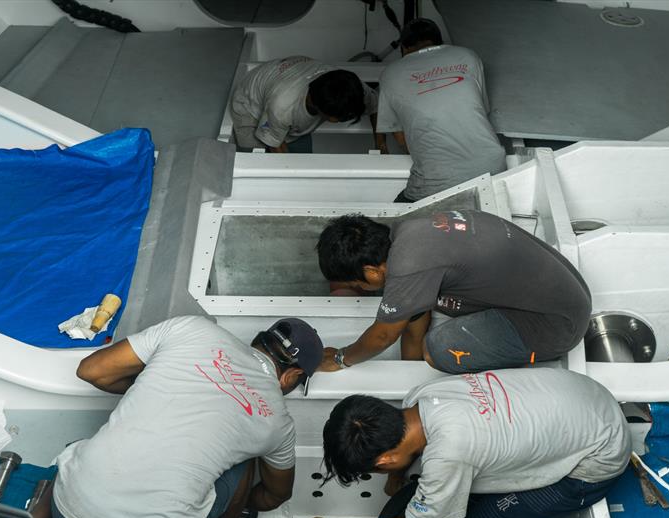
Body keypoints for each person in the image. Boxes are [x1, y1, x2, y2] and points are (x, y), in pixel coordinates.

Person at [30, 315, 323, 518]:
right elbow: (276, 495)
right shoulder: (278, 424)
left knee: (100, 445)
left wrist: (151, 383)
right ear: (291, 376)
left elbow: (92, 371)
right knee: (245, 463)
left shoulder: (193, 328)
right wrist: (244, 500)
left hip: (68, 510)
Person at [319, 368, 631, 518]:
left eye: (378, 469)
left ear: (385, 459)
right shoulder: (421, 398)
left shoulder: (449, 454)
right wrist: (393, 481)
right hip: (588, 395)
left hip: (598, 457)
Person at [316, 211, 591, 373]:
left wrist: (341, 358)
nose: (359, 290)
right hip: (571, 293)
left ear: (372, 271)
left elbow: (384, 335)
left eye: (356, 284)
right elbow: (414, 315)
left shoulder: (408, 268)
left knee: (437, 349)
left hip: (555, 326)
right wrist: (407, 375)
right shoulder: (409, 230)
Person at [376, 18, 506, 202]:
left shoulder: (390, 73)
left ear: (403, 48)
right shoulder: (468, 56)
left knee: (398, 213)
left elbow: (401, 139)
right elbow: (481, 109)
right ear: (440, 42)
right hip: (494, 166)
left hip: (437, 179)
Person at [230, 56, 385, 153]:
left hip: (283, 80)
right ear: (320, 109)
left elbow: (375, 106)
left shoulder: (350, 86)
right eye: (340, 118)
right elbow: (277, 148)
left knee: (301, 158)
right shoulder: (283, 106)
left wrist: (381, 146)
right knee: (255, 162)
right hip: (249, 105)